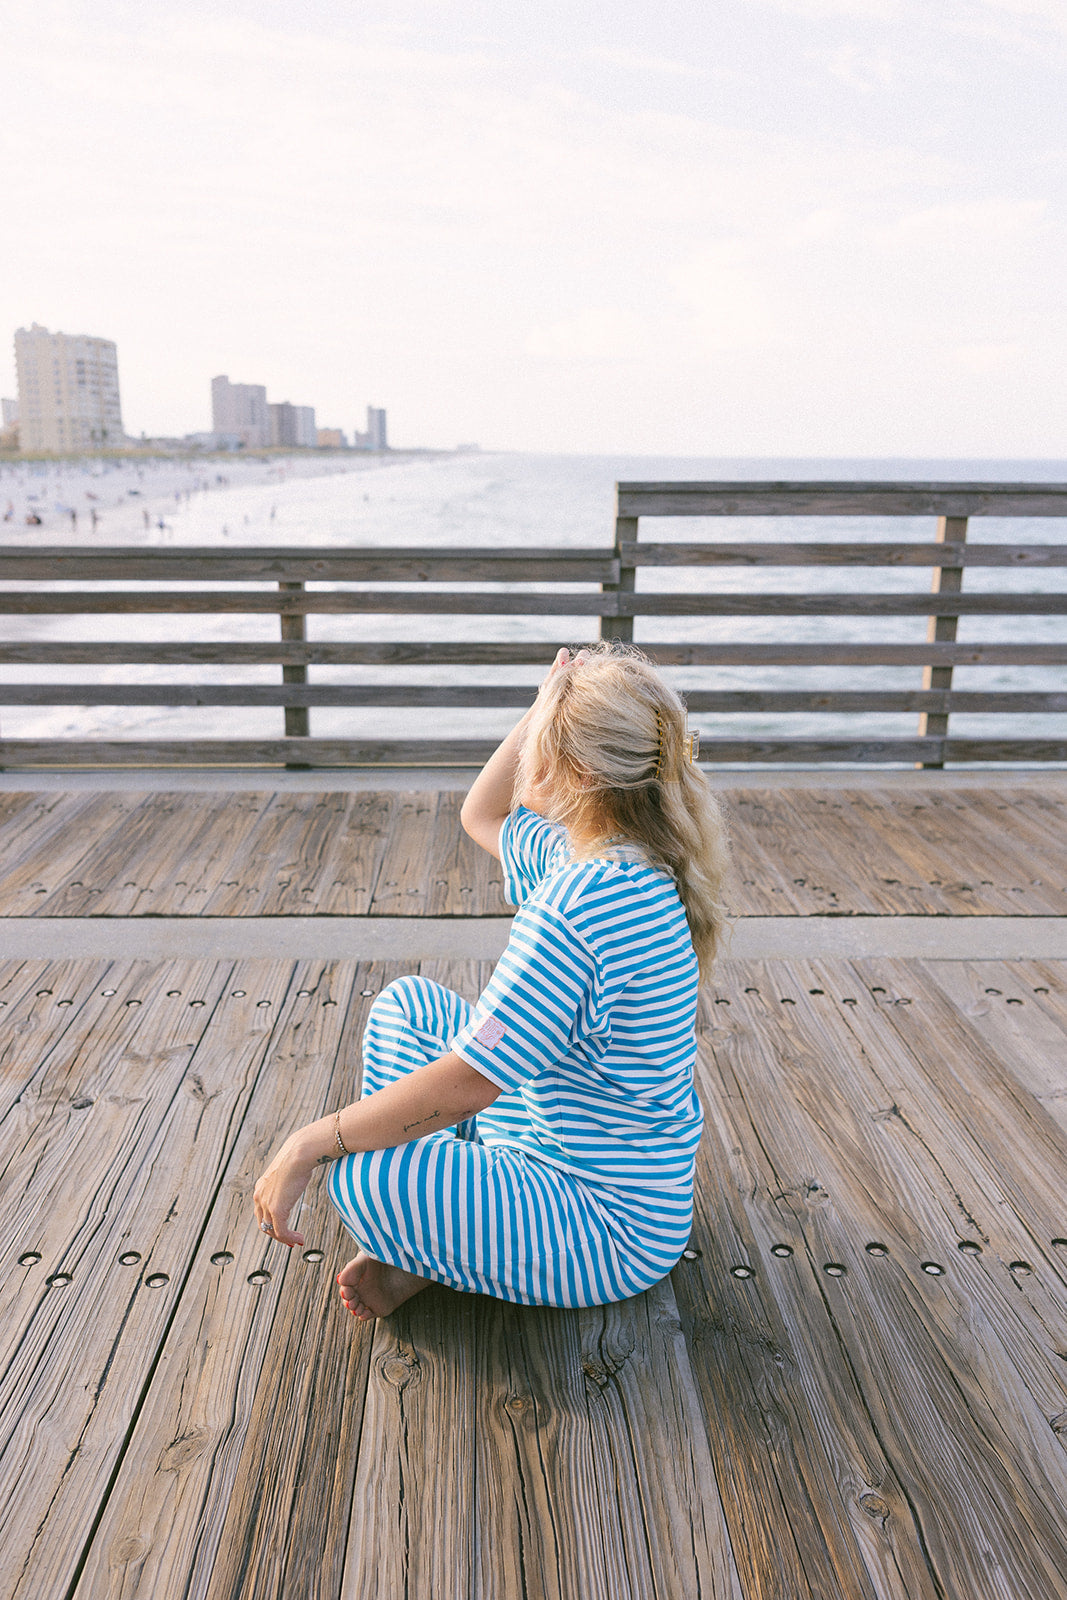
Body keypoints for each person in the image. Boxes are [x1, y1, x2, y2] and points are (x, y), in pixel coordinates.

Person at [253, 643, 730, 1320]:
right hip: (560, 1136)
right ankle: (441, 1241)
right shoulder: (610, 853)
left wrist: (306, 1141)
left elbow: (472, 1083)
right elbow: (480, 815)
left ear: (582, 772)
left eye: (539, 737)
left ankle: (430, 1247)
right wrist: (547, 700)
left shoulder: (584, 902)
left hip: (606, 1226)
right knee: (408, 1007)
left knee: (364, 1178)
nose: (526, 749)